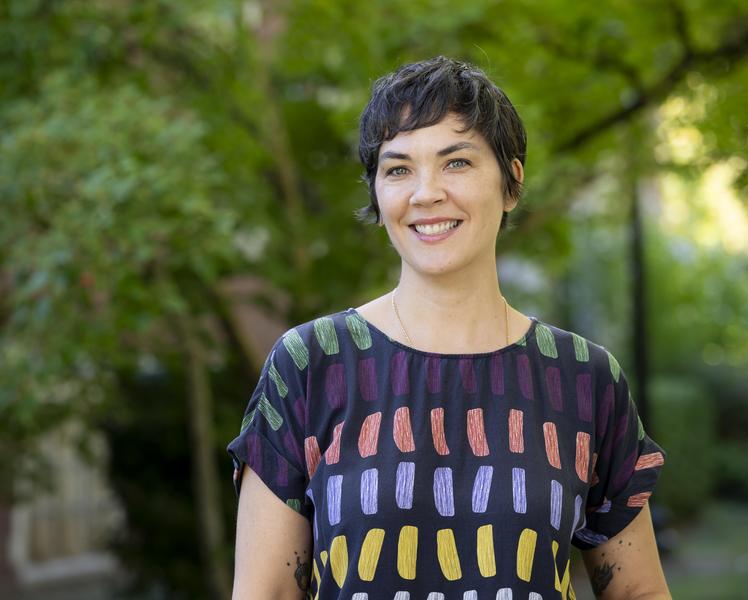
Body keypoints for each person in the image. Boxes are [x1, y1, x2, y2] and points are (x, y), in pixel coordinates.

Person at [227, 56, 670, 600]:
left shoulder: (583, 377)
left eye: (456, 162)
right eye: (398, 169)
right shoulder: (312, 363)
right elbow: (265, 592)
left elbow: (637, 592)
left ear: (511, 182)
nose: (425, 193)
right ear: (377, 194)